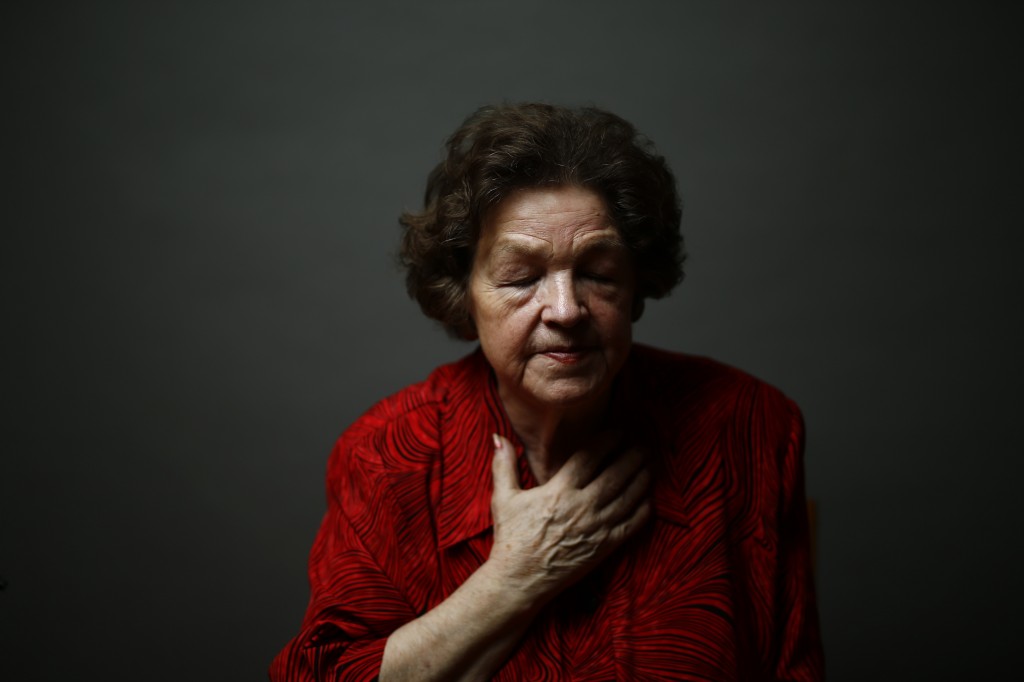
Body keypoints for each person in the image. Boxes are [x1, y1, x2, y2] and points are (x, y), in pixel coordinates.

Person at [270, 103, 824, 681]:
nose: (566, 310)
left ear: (636, 285)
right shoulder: (387, 455)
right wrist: (516, 576)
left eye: (598, 272)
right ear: (464, 293)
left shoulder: (748, 426)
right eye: (521, 277)